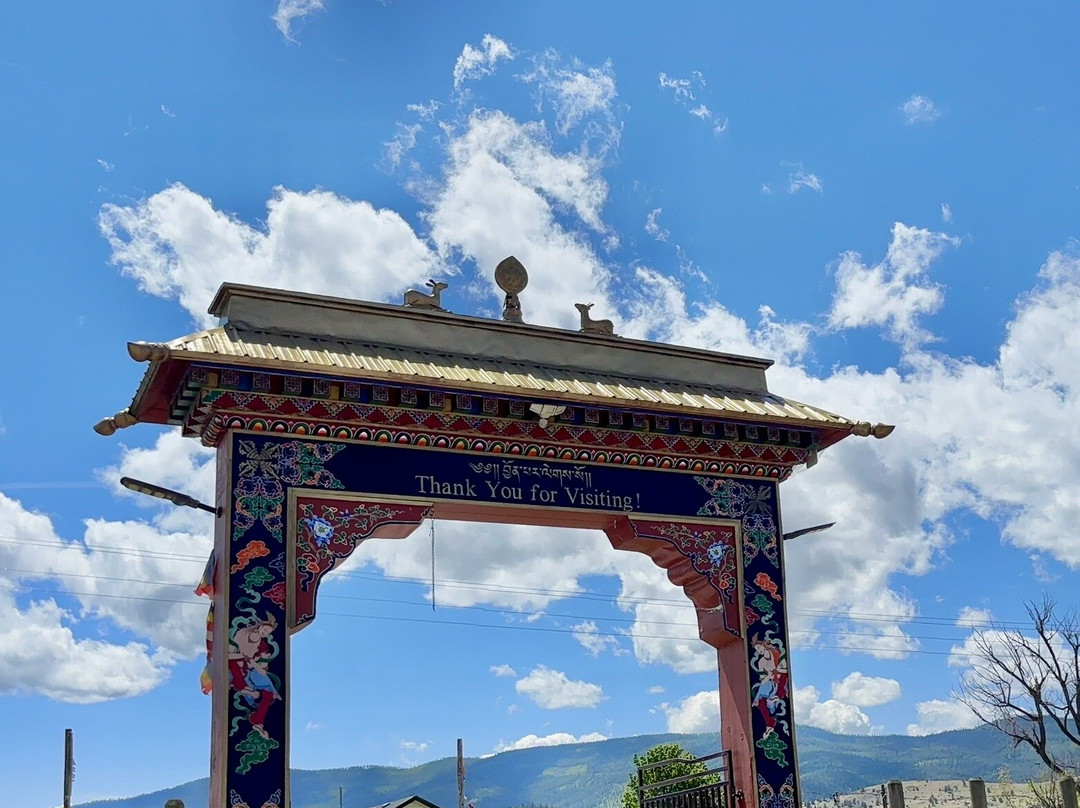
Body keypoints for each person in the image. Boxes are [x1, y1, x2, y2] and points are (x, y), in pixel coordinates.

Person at [229, 613, 281, 738]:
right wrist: (243, 657)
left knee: (269, 694)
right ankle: (243, 687)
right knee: (231, 662)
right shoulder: (243, 633)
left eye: (268, 632)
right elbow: (228, 654)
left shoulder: (263, 646)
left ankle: (258, 721)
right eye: (265, 629)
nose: (266, 632)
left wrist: (252, 661)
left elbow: (262, 670)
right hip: (234, 663)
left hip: (249, 670)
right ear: (260, 626)